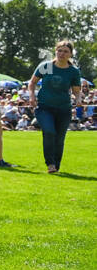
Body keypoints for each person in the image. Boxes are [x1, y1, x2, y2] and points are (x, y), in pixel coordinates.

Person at [28, 40, 83, 174]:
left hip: (64, 109)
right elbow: (32, 83)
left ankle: (56, 165)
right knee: (49, 132)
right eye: (59, 50)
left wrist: (79, 99)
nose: (62, 53)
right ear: (55, 51)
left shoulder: (73, 71)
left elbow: (76, 90)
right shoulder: (45, 66)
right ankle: (50, 164)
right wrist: (32, 96)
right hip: (44, 107)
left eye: (65, 51)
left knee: (59, 138)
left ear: (70, 54)